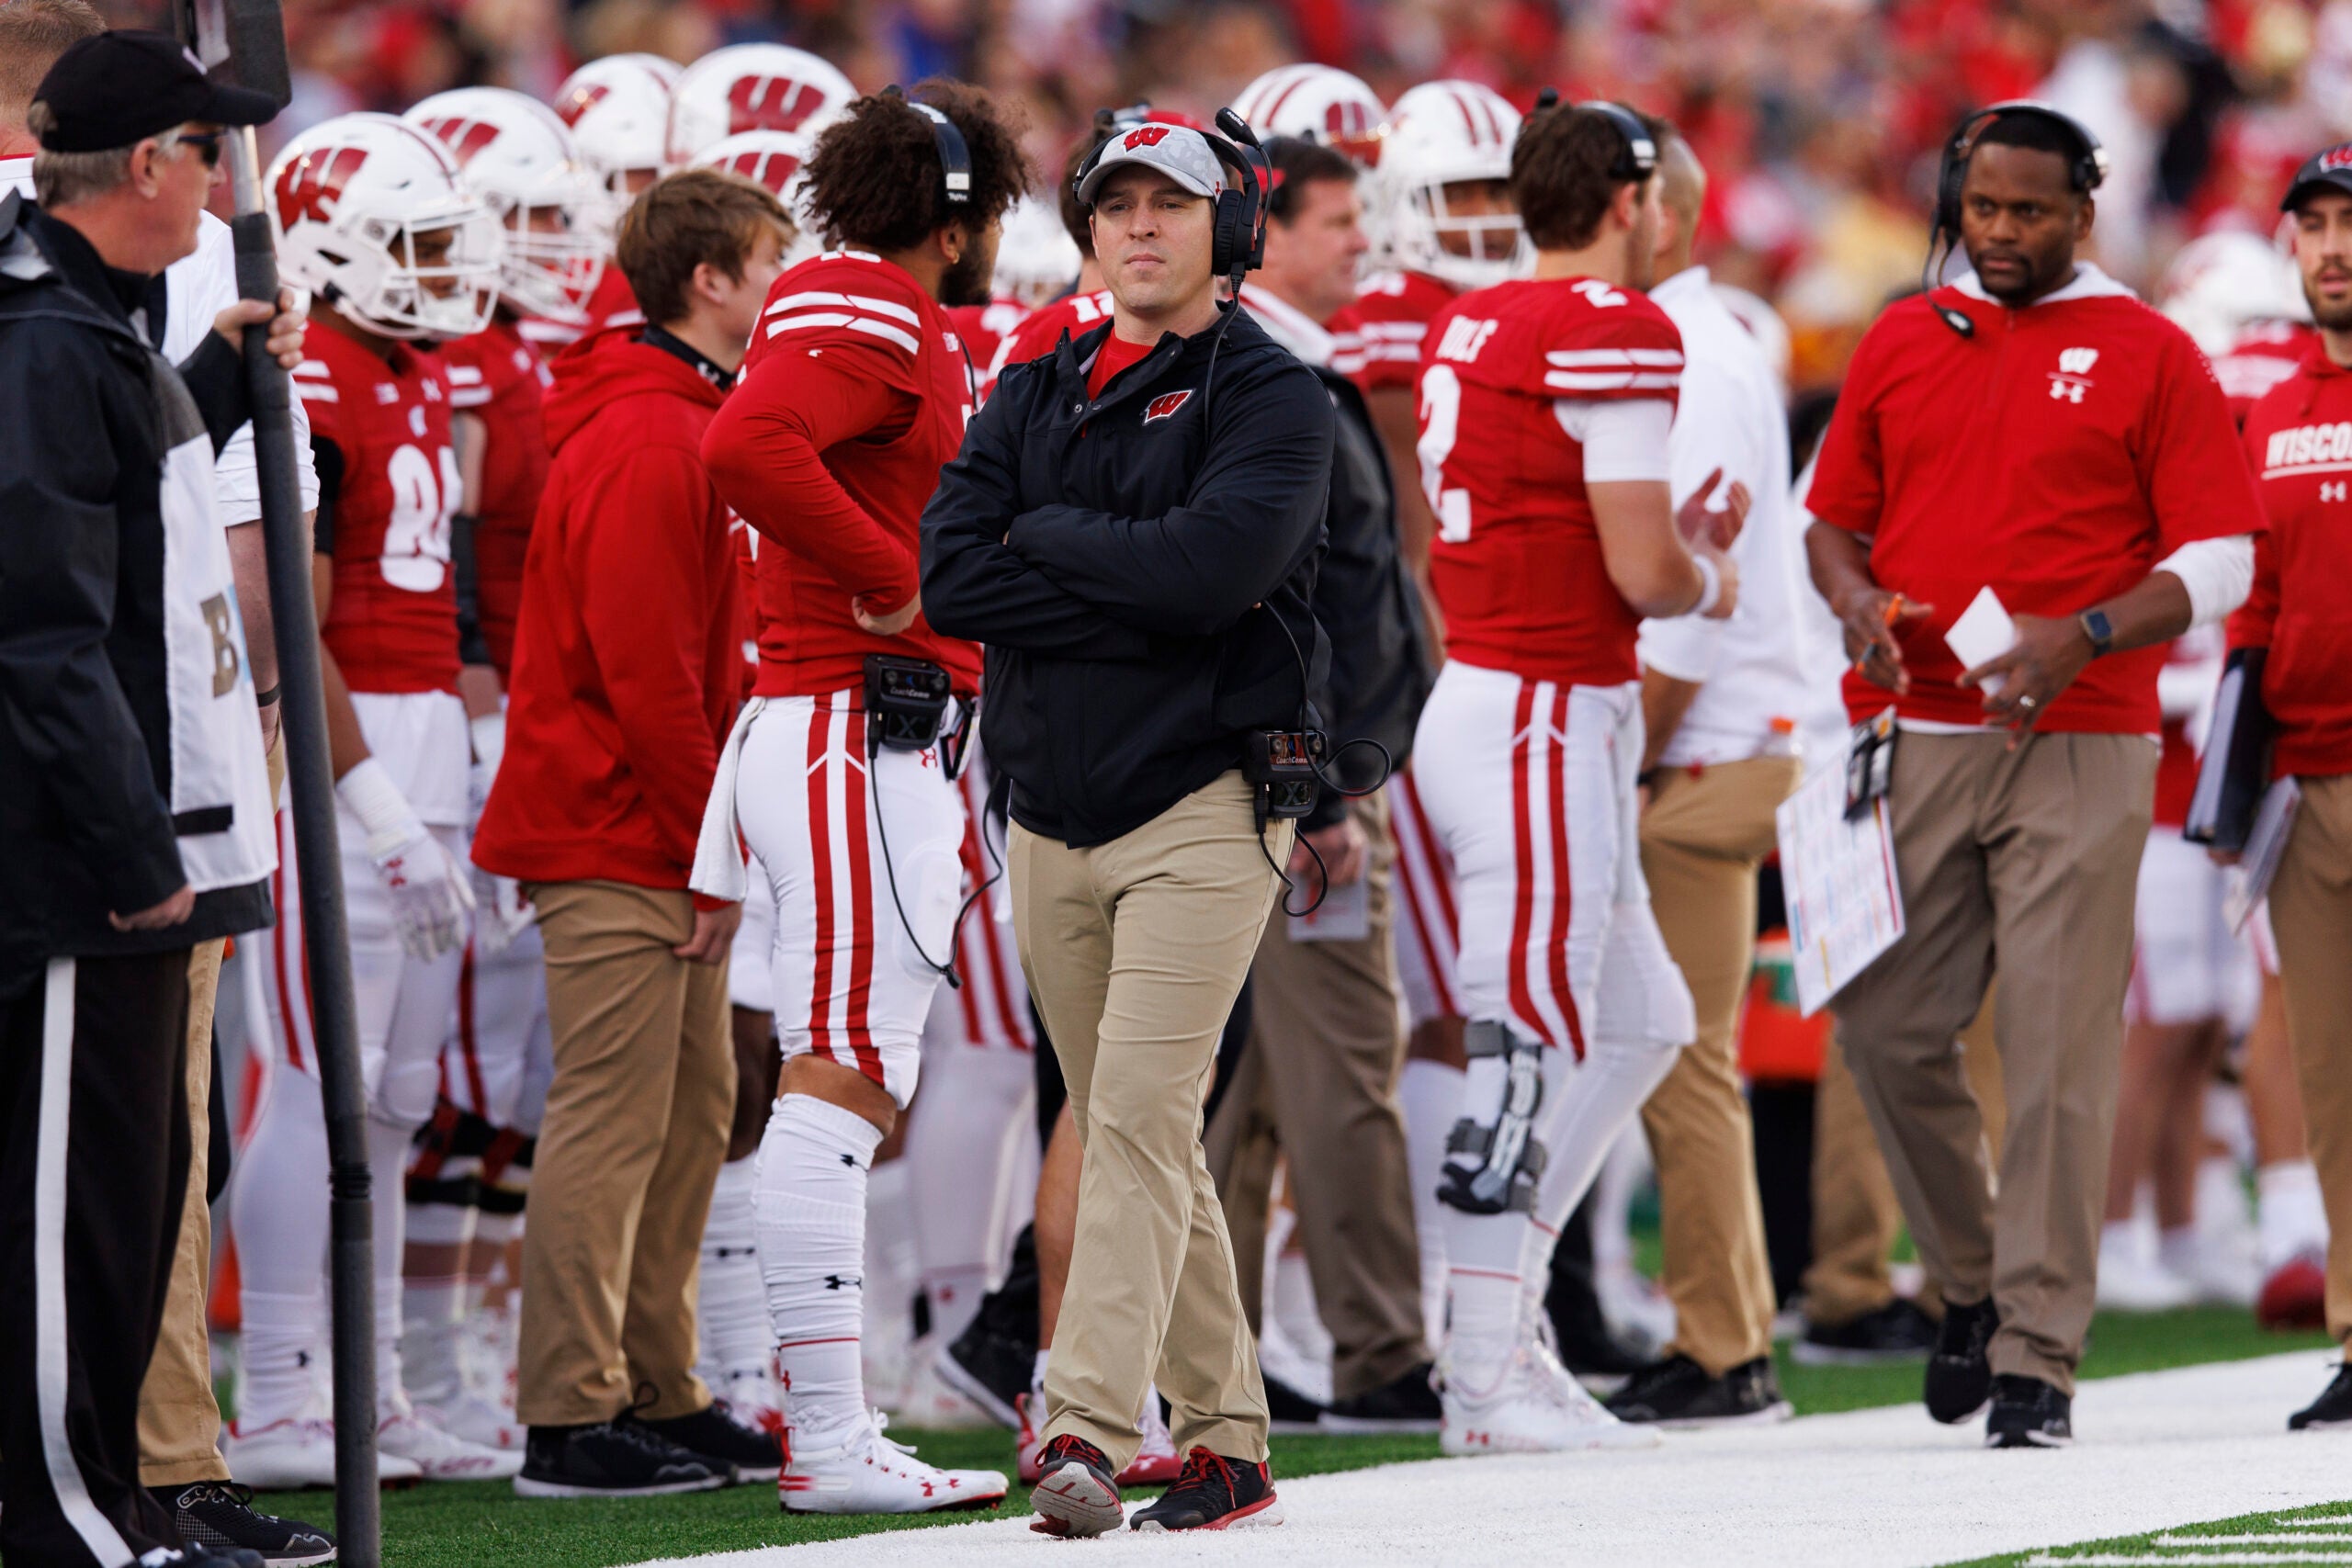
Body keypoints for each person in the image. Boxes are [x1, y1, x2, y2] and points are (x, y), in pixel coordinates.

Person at [1804, 102, 2263, 1448]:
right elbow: (1834, 520)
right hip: (1923, 727)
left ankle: (2039, 1357)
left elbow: (2225, 559)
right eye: (1983, 208)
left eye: (2030, 212)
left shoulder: (2151, 349)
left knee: (2060, 1052)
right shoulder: (1901, 333)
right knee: (1885, 1023)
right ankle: (1975, 1282)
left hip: (2086, 733)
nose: (2000, 234)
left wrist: (2091, 631)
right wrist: (1851, 600)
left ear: (2085, 213)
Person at [922, 116, 1333, 1535]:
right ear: (1087, 230)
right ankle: (1231, 1446)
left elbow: (1214, 576)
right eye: (1117, 205)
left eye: (1172, 202)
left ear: (1232, 228)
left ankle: (1084, 1423)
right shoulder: (1039, 369)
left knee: (1139, 1121)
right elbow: (951, 577)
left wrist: (1047, 542)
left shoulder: (1277, 392)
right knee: (1138, 1126)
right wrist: (1114, 576)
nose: (1140, 226)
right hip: (1050, 804)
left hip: (1207, 804)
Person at [1, 5, 334, 1558]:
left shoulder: (94, 323)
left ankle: (111, 1495)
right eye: (204, 151)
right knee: (76, 1213)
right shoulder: (47, 338)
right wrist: (138, 850)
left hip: (141, 838)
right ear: (145, 162)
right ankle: (72, 1514)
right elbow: (46, 630)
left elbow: (122, 503)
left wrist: (209, 365)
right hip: (80, 868)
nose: (219, 179)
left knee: (133, 1195)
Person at [694, 81, 1029, 1516]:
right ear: (959, 220)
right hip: (848, 722)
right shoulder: (868, 302)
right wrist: (892, 583)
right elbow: (747, 447)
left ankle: (810, 1416)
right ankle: (821, 1434)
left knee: (846, 1073)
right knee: (840, 1081)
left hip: (848, 724)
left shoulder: (872, 305)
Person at [1407, 99, 1737, 1457]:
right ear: (1629, 199)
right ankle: (1480, 1375)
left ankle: (1506, 1315)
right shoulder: (1609, 322)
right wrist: (1707, 565)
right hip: (1539, 705)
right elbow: (1644, 569)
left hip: (1517, 694)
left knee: (1644, 1013)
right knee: (1527, 1041)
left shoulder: (1475, 316)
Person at [470, 167, 790, 1497]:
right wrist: (704, 848)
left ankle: (656, 1381)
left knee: (692, 1105)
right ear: (708, 281)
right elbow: (647, 670)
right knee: (613, 1116)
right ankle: (568, 1409)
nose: (784, 285)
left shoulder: (675, 416)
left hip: (646, 820)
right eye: (770, 261)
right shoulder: (655, 436)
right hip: (618, 826)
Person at [229, 109, 514, 1489]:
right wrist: (377, 806)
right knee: (313, 1081)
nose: (441, 270)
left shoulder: (409, 367)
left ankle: (373, 1385)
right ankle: (281, 1394)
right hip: (338, 756)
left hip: (420, 746)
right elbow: (302, 624)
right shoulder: (312, 381)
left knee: (398, 1098)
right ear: (336, 249)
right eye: (414, 243)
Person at [1210, 132, 1439, 1431]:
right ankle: (1383, 1349)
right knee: (1346, 1068)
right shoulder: (1272, 373)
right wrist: (1320, 789)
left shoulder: (1285, 365)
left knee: (1239, 1090)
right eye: (1341, 220)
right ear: (1271, 229)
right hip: (1305, 790)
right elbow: (1281, 609)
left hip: (1287, 780)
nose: (1365, 240)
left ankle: (1224, 1355)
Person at [398, 83, 602, 1456]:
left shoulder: (523, 348)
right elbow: (458, 556)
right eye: (519, 212)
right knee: (452, 1064)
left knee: (507, 1067)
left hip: (528, 705)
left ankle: (457, 1338)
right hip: (469, 714)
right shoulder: (452, 354)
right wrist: (484, 695)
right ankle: (415, 1350)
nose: (546, 239)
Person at [1599, 127, 1804, 1429]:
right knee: (1670, 1053)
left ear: (1655, 213)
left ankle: (1726, 1347)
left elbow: (1685, 603)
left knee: (1679, 1056)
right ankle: (1721, 1334)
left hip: (1699, 750)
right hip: (1712, 739)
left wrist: (1628, 757)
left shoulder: (1693, 356)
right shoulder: (1699, 343)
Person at [1329, 76, 1527, 1354]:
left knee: (1463, 998)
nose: (1484, 218)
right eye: (1459, 193)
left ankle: (1474, 1296)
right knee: (1433, 1002)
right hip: (1428, 679)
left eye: (1500, 192)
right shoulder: (1392, 323)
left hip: (1465, 671)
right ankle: (1451, 1305)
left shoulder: (1491, 307)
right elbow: (1407, 526)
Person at [2233, 141, 2352, 1431]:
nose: (2333, 246)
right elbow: (2255, 603)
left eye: (2350, 223)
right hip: (2306, 780)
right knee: (2333, 1074)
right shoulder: (2270, 414)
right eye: (2313, 224)